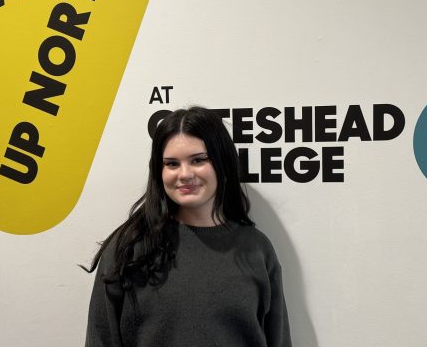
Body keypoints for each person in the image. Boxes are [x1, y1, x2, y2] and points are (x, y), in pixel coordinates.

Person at [84, 106, 292, 347]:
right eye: (172, 164)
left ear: (222, 162)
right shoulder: (129, 248)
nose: (184, 174)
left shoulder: (257, 249)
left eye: (198, 160)